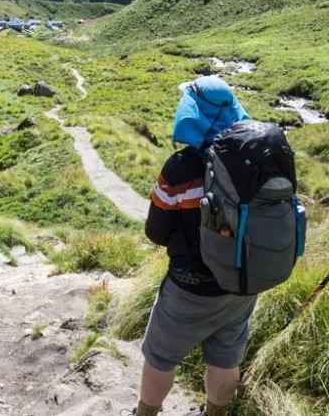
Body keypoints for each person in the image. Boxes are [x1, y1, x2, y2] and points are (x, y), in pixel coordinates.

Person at [134, 76, 255, 416]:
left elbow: (156, 233)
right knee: (226, 356)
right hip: (243, 283)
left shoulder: (181, 168)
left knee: (160, 356)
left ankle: (147, 413)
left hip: (189, 287)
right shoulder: (255, 161)